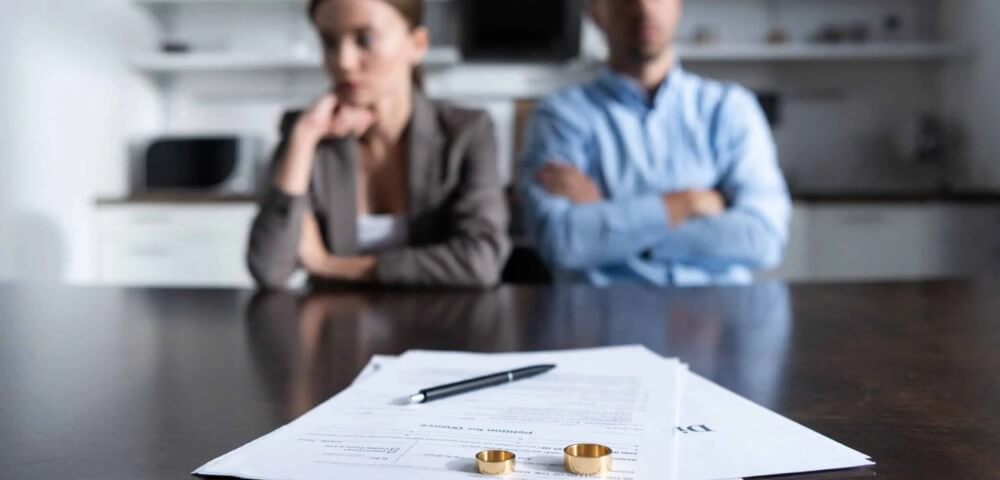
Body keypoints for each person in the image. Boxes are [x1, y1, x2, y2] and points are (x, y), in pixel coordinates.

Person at [519, 0, 792, 286]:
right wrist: (687, 203)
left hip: (719, 311)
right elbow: (562, 241)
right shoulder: (560, 116)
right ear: (596, 14)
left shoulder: (729, 109)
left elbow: (764, 239)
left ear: (678, 6)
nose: (645, 8)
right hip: (605, 310)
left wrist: (613, 222)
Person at [248, 0, 510, 289]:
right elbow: (268, 268)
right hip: (335, 318)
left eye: (365, 40)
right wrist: (305, 137)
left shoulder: (466, 133)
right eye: (329, 42)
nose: (344, 61)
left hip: (439, 318)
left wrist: (328, 265)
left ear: (417, 44)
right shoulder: (309, 132)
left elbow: (481, 261)